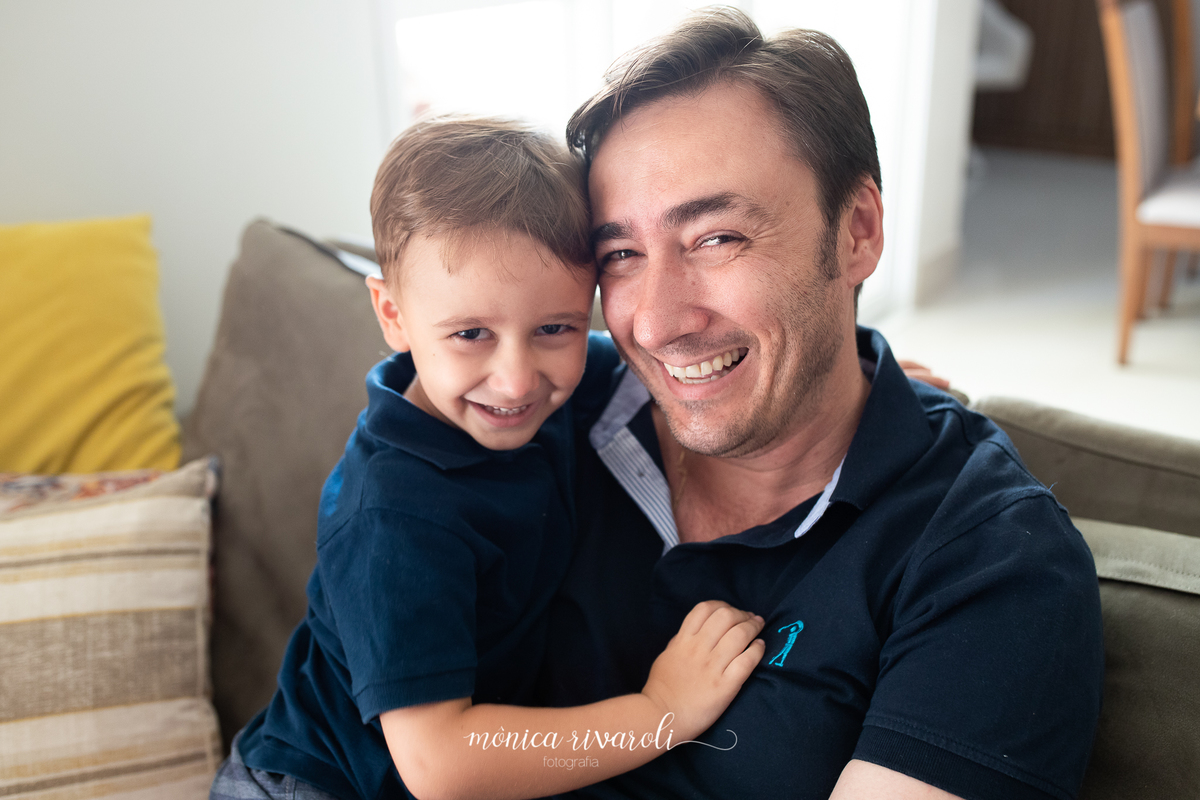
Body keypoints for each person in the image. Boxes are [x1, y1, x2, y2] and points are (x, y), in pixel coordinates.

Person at [537, 8, 1105, 800]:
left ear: (857, 231)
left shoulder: (991, 561)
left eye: (717, 237)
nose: (657, 324)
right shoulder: (538, 409)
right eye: (622, 253)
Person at [210, 116, 767, 800]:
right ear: (393, 315)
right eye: (471, 333)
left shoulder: (553, 392)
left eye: (555, 328)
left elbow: (661, 369)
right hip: (310, 786)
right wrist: (660, 714)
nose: (517, 379)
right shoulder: (394, 515)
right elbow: (439, 764)